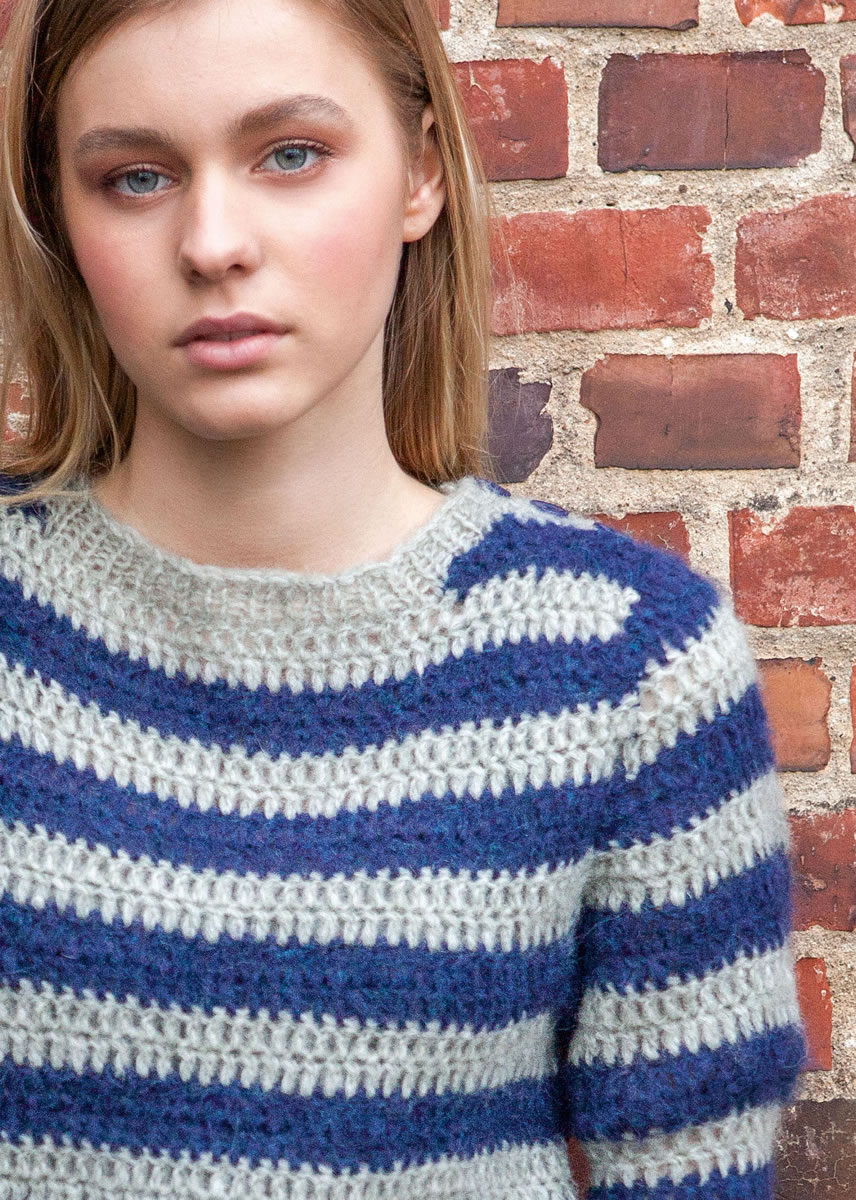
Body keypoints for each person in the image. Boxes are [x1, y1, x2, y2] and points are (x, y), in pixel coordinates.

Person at [0, 0, 804, 1197]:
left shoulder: (629, 663)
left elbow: (693, 1166)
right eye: (136, 177)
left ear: (421, 173)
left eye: (290, 154)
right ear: (59, 215)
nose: (212, 242)